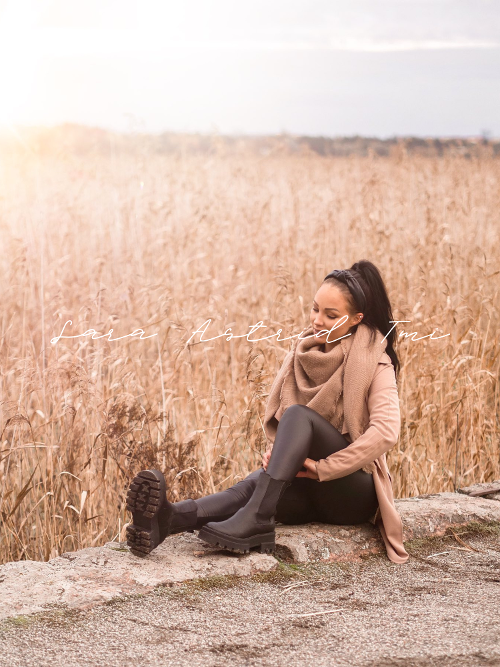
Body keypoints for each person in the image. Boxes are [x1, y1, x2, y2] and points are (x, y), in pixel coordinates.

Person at [125, 260, 409, 564]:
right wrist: (281, 452)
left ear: (356, 319)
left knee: (298, 418)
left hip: (350, 493)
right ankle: (169, 519)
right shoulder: (305, 353)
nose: (317, 320)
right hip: (308, 489)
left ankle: (255, 521)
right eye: (315, 309)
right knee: (252, 486)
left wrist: (323, 468)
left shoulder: (376, 361)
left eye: (331, 315)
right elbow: (288, 421)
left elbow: (385, 431)